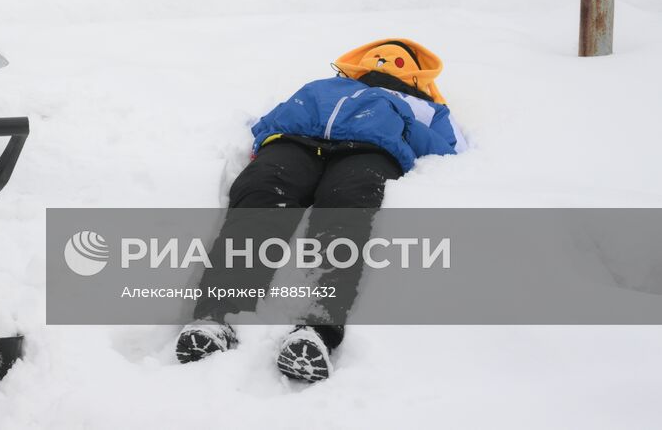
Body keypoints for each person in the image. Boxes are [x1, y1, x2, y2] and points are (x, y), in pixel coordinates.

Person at [175, 38, 465, 381]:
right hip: (293, 141)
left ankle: (317, 328)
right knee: (262, 196)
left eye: (397, 60)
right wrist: (266, 135)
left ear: (417, 74)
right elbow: (269, 117)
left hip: (370, 150)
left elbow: (449, 148)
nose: (384, 62)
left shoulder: (425, 106)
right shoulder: (326, 86)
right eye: (379, 57)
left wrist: (403, 126)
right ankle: (215, 317)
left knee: (346, 212)